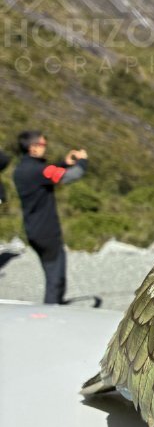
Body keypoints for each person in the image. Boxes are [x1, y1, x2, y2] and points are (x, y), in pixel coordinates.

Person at [13, 130, 88, 305]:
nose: (45, 148)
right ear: (33, 148)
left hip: (33, 230)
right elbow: (71, 176)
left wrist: (64, 163)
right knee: (56, 279)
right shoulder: (39, 169)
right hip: (48, 232)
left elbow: (47, 175)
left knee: (50, 274)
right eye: (42, 145)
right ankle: (51, 314)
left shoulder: (21, 169)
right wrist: (83, 160)